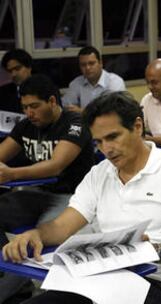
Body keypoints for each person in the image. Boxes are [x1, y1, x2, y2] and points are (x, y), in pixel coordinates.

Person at [2, 91, 161, 304]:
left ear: (137, 127)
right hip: (102, 277)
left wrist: (153, 250)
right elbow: (62, 226)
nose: (106, 150)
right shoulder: (99, 173)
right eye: (98, 142)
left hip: (159, 281)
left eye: (113, 137)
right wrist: (36, 235)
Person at [0, 74, 94, 303]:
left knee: (39, 240)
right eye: (25, 108)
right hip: (39, 195)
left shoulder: (74, 124)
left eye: (34, 106)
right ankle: (12, 276)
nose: (29, 113)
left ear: (52, 101)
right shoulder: (27, 125)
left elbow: (56, 165)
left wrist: (11, 173)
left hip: (73, 198)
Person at [62, 46, 126, 113]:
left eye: (91, 63)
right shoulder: (76, 83)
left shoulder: (114, 81)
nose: (87, 68)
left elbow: (113, 112)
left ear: (100, 63)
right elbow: (66, 106)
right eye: (83, 65)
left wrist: (83, 111)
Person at [0, 49, 32, 113]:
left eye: (17, 68)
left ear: (29, 67)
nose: (13, 74)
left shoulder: (45, 88)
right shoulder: (2, 92)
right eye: (9, 71)